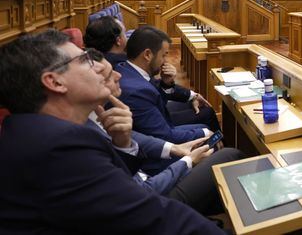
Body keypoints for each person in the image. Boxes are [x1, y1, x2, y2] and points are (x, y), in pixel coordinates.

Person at [0, 30, 224, 234]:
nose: (99, 67)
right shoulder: (57, 149)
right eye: (85, 60)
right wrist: (185, 160)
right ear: (55, 81)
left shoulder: (45, 130)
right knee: (229, 162)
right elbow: (151, 215)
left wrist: (123, 142)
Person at [87, 49, 244, 216]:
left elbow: (134, 135)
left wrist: (175, 148)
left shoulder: (90, 117)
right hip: (152, 202)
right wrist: (187, 161)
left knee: (210, 144)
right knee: (231, 154)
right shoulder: (82, 138)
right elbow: (144, 190)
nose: (119, 76)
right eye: (109, 75)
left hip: (147, 178)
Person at [116, 26, 219, 148]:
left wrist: (166, 83)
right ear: (147, 55)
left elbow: (156, 97)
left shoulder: (126, 68)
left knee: (205, 115)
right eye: (164, 55)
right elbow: (165, 137)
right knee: (209, 133)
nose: (165, 61)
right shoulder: (136, 91)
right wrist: (206, 133)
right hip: (156, 153)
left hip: (158, 129)